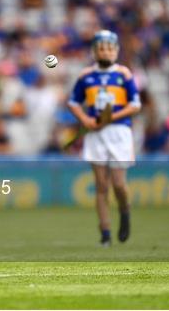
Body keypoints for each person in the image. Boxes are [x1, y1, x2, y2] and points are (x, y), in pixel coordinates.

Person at [67, 30, 141, 246]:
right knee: (101, 185)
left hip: (119, 133)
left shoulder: (124, 74)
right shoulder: (86, 76)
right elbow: (73, 102)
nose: (105, 51)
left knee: (118, 184)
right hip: (96, 134)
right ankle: (105, 232)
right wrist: (85, 119)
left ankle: (125, 211)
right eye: (101, 48)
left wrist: (110, 117)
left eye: (109, 48)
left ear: (116, 50)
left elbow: (135, 105)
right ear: (94, 51)